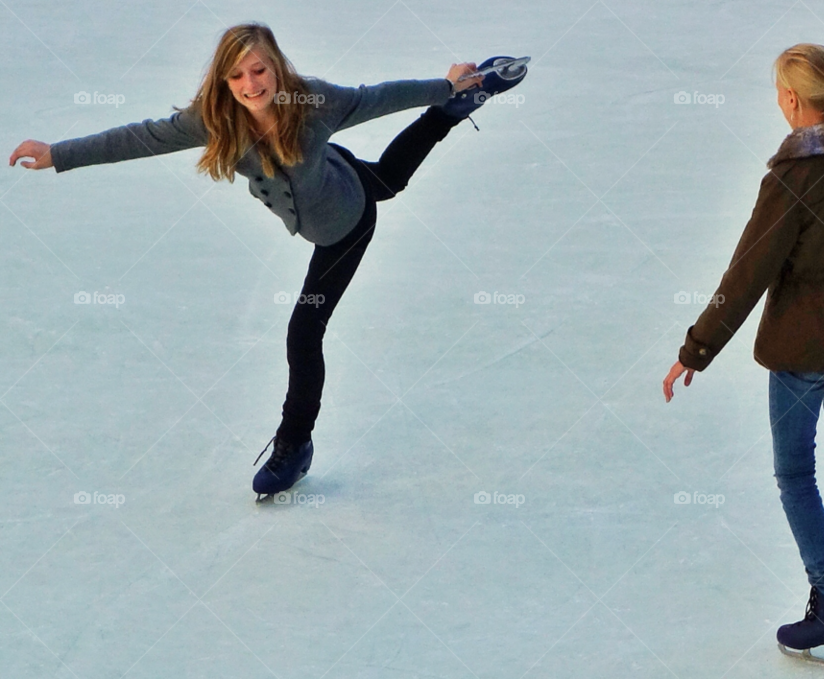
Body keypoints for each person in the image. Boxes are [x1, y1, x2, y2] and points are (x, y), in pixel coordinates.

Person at [9, 23, 526, 500]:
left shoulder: (315, 103)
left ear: (277, 68)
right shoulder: (214, 120)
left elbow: (377, 98)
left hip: (343, 222)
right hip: (334, 175)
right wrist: (60, 152)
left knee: (306, 330)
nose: (250, 84)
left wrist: (446, 85)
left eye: (259, 70)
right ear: (223, 79)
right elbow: (140, 137)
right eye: (236, 74)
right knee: (387, 179)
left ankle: (293, 443)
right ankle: (449, 116)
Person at [662, 43, 824, 670]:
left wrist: (697, 349)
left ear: (789, 98)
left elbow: (750, 269)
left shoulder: (794, 175)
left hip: (804, 345)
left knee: (795, 474)